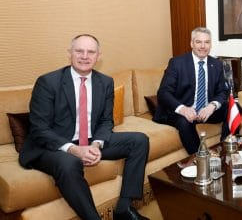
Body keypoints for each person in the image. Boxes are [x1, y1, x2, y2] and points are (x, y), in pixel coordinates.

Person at [19, 34, 150, 220]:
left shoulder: (105, 82)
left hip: (88, 140)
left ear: (98, 56)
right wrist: (74, 150)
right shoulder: (48, 82)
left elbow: (106, 121)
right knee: (69, 162)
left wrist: (96, 145)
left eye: (91, 52)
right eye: (79, 51)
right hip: (53, 145)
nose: (85, 56)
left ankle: (124, 209)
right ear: (69, 53)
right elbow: (40, 129)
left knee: (139, 140)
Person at [153, 27, 230, 155]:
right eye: (198, 42)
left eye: (206, 42)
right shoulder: (177, 63)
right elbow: (163, 93)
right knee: (184, 122)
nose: (203, 46)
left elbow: (223, 91)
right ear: (191, 44)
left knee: (235, 107)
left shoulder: (216, 64)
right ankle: (200, 157)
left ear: (210, 44)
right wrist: (183, 109)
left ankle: (225, 147)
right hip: (184, 111)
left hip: (205, 112)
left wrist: (212, 106)